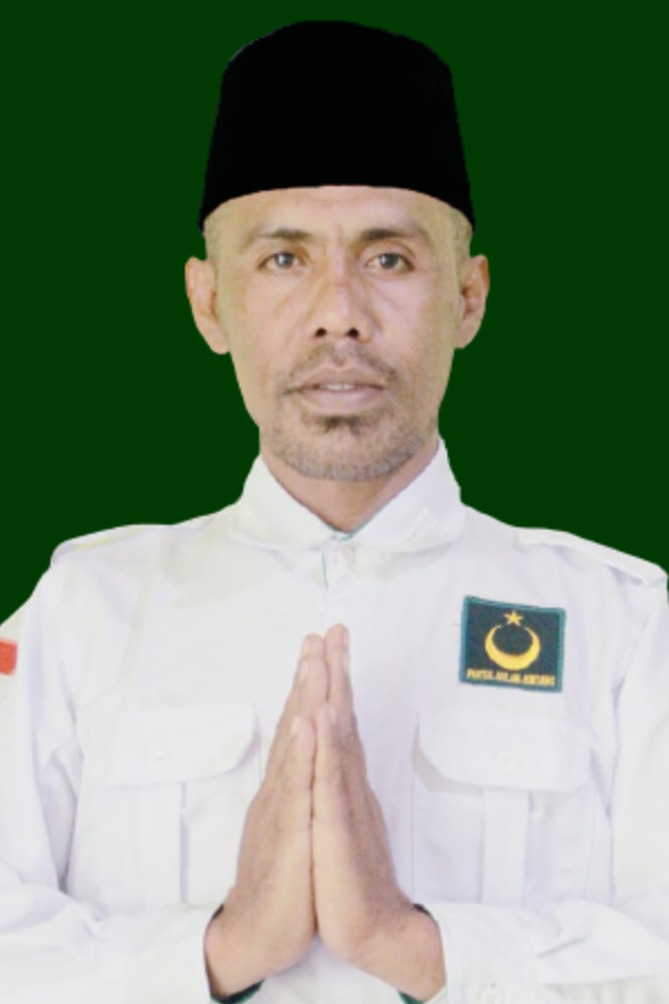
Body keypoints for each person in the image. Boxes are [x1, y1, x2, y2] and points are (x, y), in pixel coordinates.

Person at [1, 20, 668, 1004]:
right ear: (208, 303)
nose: (338, 313)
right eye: (283, 259)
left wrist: (418, 945)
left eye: (389, 258)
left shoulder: (625, 624)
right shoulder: (84, 611)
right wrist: (221, 948)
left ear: (470, 297)